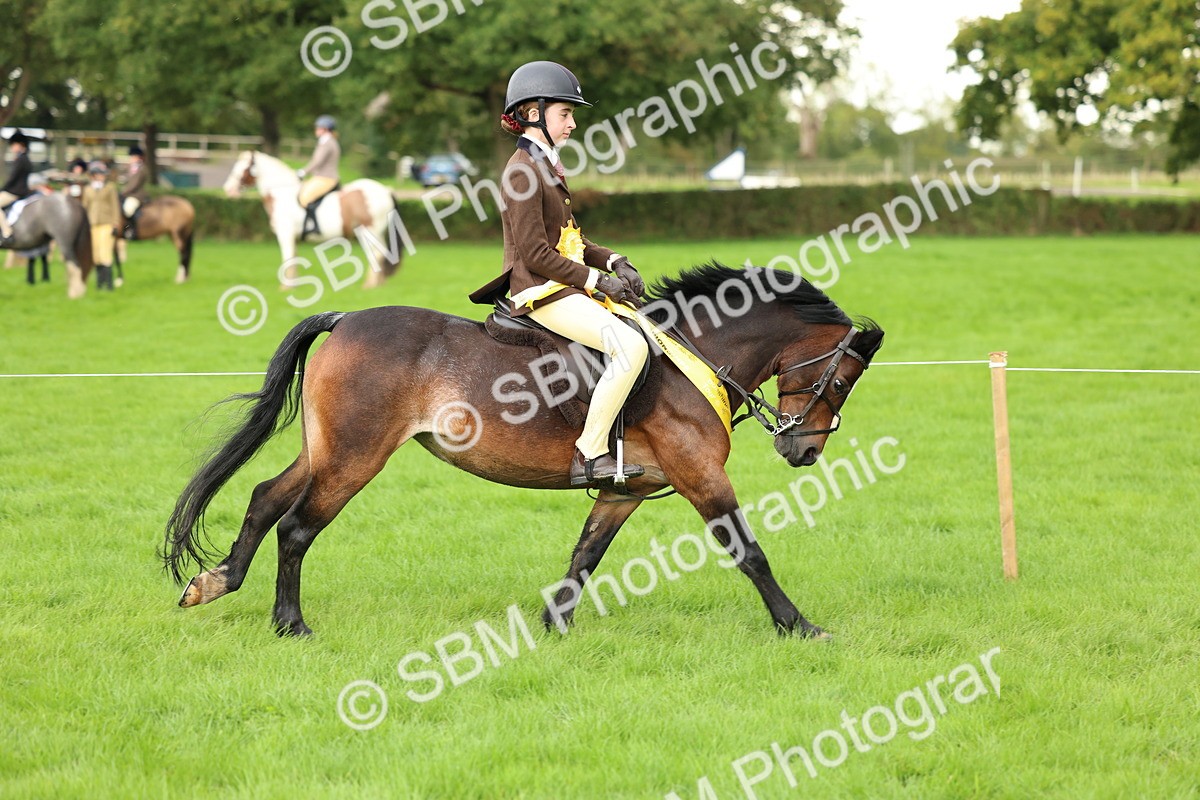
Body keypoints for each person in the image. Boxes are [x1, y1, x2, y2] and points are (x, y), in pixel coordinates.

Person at [469, 61, 649, 487]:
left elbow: (570, 241)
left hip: (558, 285)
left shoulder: (546, 165)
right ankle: (589, 453)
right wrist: (594, 282)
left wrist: (612, 261)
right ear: (534, 114)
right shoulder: (521, 171)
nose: (572, 124)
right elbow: (533, 253)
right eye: (565, 114)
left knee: (642, 325)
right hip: (539, 291)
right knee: (629, 345)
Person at [80, 161, 122, 290]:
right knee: (96, 254)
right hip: (92, 224)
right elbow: (85, 207)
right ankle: (99, 284)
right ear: (93, 175)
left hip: (106, 223)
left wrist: (116, 223)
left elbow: (115, 206)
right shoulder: (87, 189)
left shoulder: (109, 188)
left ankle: (109, 285)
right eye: (99, 174)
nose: (102, 176)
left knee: (105, 253)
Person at [296, 115, 340, 236]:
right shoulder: (325, 141)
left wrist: (303, 171)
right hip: (320, 177)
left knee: (306, 197)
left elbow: (317, 161)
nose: (316, 130)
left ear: (325, 129)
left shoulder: (327, 143)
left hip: (327, 178)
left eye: (318, 128)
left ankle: (315, 227)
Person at [0, 129, 34, 247]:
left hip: (15, 192)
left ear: (20, 145)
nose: (12, 147)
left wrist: (2, 189)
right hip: (21, 190)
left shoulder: (20, 160)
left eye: (14, 145)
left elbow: (12, 179)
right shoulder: (26, 159)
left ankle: (7, 232)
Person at [121, 145, 149, 239]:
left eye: (133, 156)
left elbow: (134, 185)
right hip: (128, 194)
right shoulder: (130, 168)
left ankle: (130, 230)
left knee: (127, 209)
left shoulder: (141, 169)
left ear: (138, 157)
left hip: (136, 195)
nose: (131, 158)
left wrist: (123, 192)